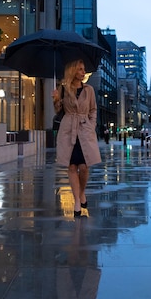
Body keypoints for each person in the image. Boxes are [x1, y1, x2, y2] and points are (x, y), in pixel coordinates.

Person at [52, 60, 101, 217]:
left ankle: (81, 192)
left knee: (84, 166)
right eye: (80, 69)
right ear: (73, 71)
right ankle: (77, 201)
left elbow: (93, 109)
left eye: (84, 69)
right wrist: (55, 99)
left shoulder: (89, 90)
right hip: (68, 129)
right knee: (72, 166)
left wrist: (91, 125)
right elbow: (59, 110)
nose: (83, 72)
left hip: (85, 129)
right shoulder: (64, 89)